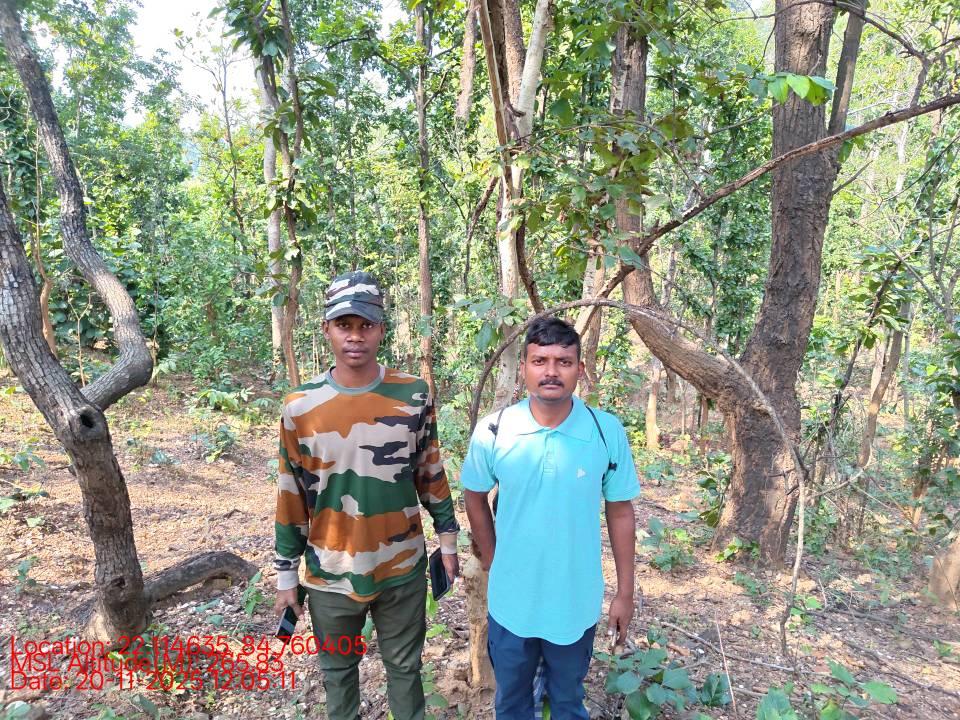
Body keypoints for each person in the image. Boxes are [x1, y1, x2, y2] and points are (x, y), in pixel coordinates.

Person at [273, 270, 459, 720]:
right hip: (330, 573)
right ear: (327, 329)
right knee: (338, 674)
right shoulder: (300, 406)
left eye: (365, 325)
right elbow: (291, 493)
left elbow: (430, 470)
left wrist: (448, 540)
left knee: (405, 670)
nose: (355, 336)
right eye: (344, 325)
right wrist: (285, 574)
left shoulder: (412, 394)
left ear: (381, 329)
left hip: (401, 568)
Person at [462, 316, 639, 720]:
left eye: (564, 361)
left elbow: (620, 511)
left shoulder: (604, 431)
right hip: (511, 601)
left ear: (580, 368)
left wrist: (625, 593)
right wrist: (493, 558)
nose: (551, 372)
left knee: (567, 702)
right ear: (523, 368)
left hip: (575, 601)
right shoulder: (495, 430)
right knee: (511, 703)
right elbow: (474, 494)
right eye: (540, 361)